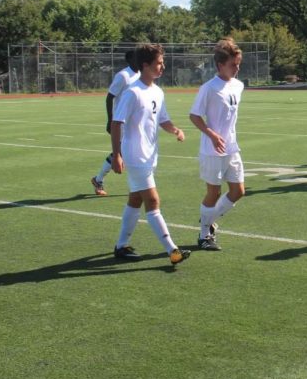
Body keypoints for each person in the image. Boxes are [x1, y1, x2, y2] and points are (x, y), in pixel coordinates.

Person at [110, 43, 190, 265]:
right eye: (158, 63)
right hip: (135, 156)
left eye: (163, 63)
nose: (162, 67)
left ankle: (121, 246)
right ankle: (172, 250)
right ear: (145, 65)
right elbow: (117, 123)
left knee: (135, 199)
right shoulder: (132, 92)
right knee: (152, 200)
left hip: (150, 155)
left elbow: (162, 119)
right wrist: (117, 155)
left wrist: (175, 129)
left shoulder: (157, 91)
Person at [188, 38, 245, 251]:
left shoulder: (238, 86)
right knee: (213, 192)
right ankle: (204, 234)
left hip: (232, 147)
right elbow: (194, 116)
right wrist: (211, 134)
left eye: (238, 64)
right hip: (212, 150)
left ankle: (208, 221)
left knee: (238, 191)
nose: (237, 68)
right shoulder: (208, 88)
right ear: (220, 65)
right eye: (233, 64)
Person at [90, 50, 138, 196]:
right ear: (130, 59)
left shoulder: (140, 75)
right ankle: (99, 180)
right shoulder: (123, 75)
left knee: (129, 151)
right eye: (137, 57)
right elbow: (109, 97)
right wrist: (110, 120)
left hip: (133, 122)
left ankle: (98, 180)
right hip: (121, 121)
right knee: (123, 151)